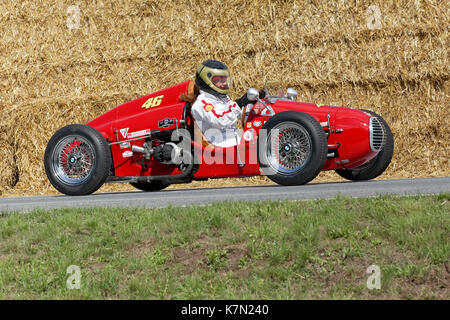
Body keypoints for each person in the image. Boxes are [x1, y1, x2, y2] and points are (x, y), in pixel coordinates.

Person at [191, 60, 259, 148]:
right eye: (219, 80)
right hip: (219, 143)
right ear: (206, 81)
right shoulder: (200, 104)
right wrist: (240, 103)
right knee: (259, 145)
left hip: (234, 137)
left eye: (225, 79)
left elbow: (239, 114)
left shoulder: (222, 98)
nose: (224, 83)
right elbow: (221, 121)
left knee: (264, 136)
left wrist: (253, 105)